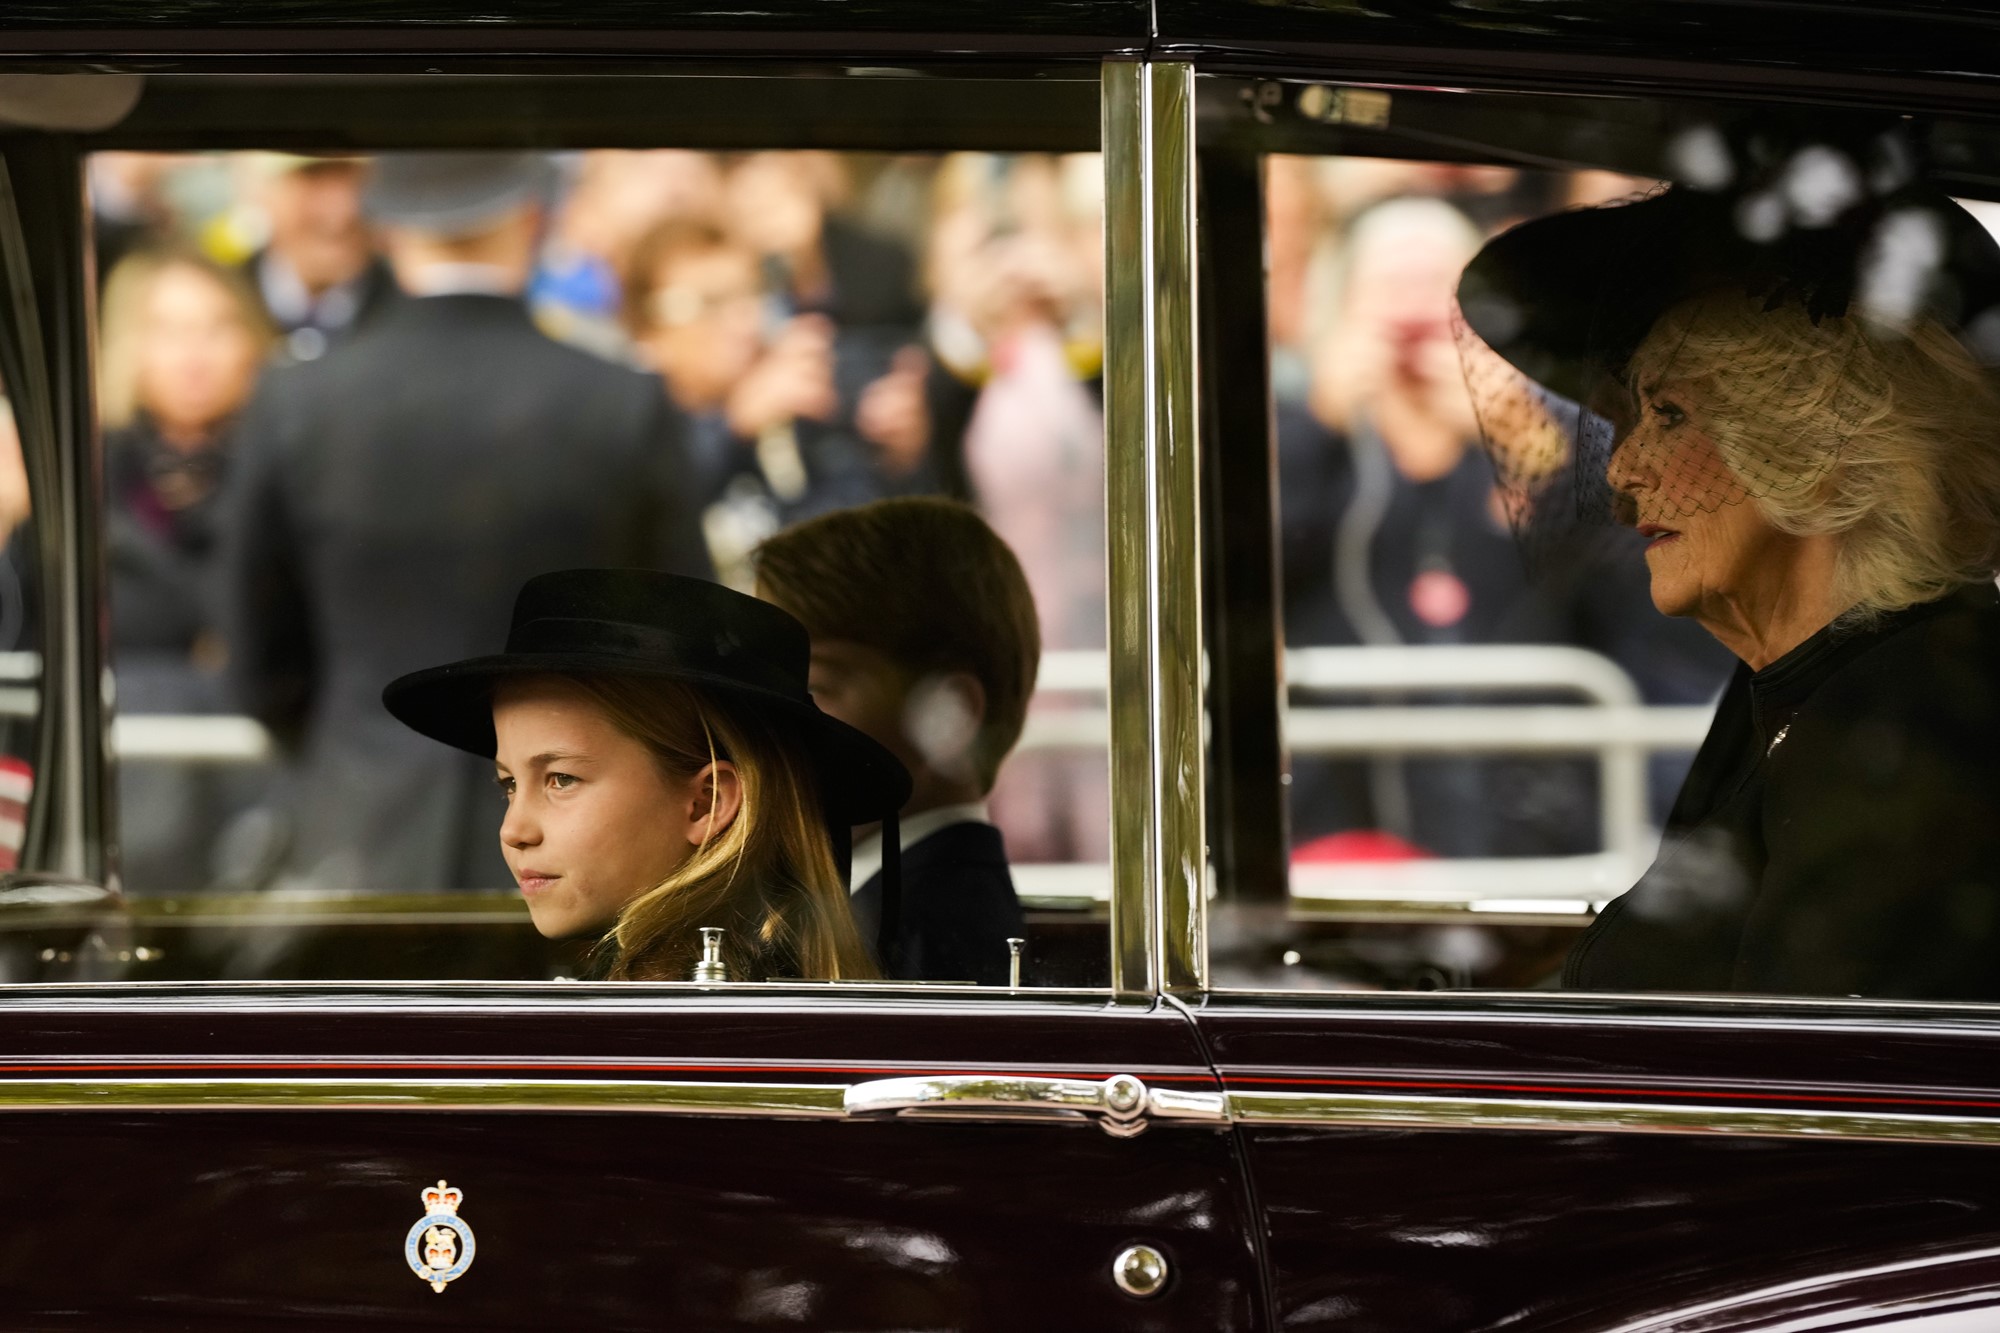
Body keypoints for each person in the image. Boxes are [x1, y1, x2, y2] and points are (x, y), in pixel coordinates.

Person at [1457, 164, 2000, 999]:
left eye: (1668, 416)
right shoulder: (1796, 688)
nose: (1624, 470)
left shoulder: (1913, 725)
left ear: (1823, 452)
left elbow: (1823, 1094)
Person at [220, 152, 713, 894]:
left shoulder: (298, 402)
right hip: (579, 836)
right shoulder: (622, 402)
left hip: (358, 830)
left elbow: (259, 658)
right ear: (531, 216)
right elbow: (683, 645)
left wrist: (350, 746)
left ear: (384, 228)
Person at [383, 569, 908, 980]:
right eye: (509, 785)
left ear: (707, 802)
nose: (514, 830)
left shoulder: (672, 1017)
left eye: (560, 779)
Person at [754, 498, 1036, 984]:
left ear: (951, 718)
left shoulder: (922, 938)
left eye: (816, 687)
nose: (768, 720)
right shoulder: (891, 905)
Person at [97, 248, 273, 894]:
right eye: (168, 329)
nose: (193, 352)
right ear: (128, 344)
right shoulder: (76, 473)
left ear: (253, 341)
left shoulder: (287, 467)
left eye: (218, 326)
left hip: (259, 769)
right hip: (127, 775)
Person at [623, 218, 883, 585]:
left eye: (752, 294)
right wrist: (733, 427)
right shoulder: (625, 427)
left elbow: (857, 549)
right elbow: (641, 518)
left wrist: (887, 449)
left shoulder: (790, 408)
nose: (745, 321)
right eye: (711, 302)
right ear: (648, 331)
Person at [239, 154, 395, 363]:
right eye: (313, 178)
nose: (341, 211)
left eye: (356, 181)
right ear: (262, 191)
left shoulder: (409, 309)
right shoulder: (221, 299)